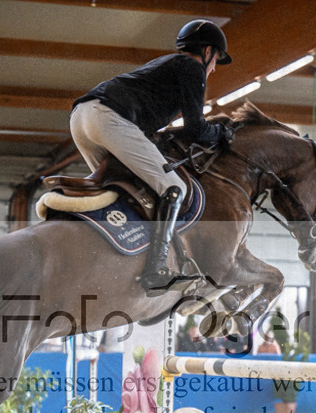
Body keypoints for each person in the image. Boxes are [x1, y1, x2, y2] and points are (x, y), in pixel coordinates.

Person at [70, 19, 234, 296]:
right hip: (110, 118)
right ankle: (155, 270)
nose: (215, 67)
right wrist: (221, 133)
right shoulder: (192, 68)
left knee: (121, 187)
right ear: (207, 51)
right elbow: (196, 129)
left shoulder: (167, 65)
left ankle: (113, 251)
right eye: (216, 58)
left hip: (81, 118)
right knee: (174, 188)